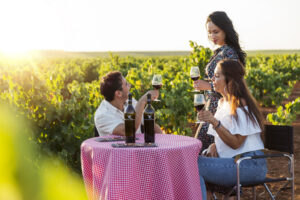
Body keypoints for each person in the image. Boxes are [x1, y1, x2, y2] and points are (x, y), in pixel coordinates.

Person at [197, 59, 267, 199]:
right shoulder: (223, 103)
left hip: (249, 164)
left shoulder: (241, 104)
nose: (212, 79)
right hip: (232, 162)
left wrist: (213, 121)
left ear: (230, 79)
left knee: (192, 165)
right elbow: (224, 136)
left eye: (217, 75)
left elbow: (236, 143)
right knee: (190, 162)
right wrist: (213, 145)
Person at [193, 11, 247, 152]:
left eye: (216, 32)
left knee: (201, 151)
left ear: (226, 30)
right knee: (201, 150)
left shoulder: (229, 53)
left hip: (220, 110)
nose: (212, 36)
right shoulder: (221, 51)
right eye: (210, 32)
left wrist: (208, 86)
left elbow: (232, 82)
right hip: (213, 107)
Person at [94, 71, 162, 136]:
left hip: (140, 147)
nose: (130, 85)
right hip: (120, 148)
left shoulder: (130, 101)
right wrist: (142, 101)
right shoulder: (102, 115)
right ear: (118, 93)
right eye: (126, 84)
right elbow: (129, 131)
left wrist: (162, 139)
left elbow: (151, 124)